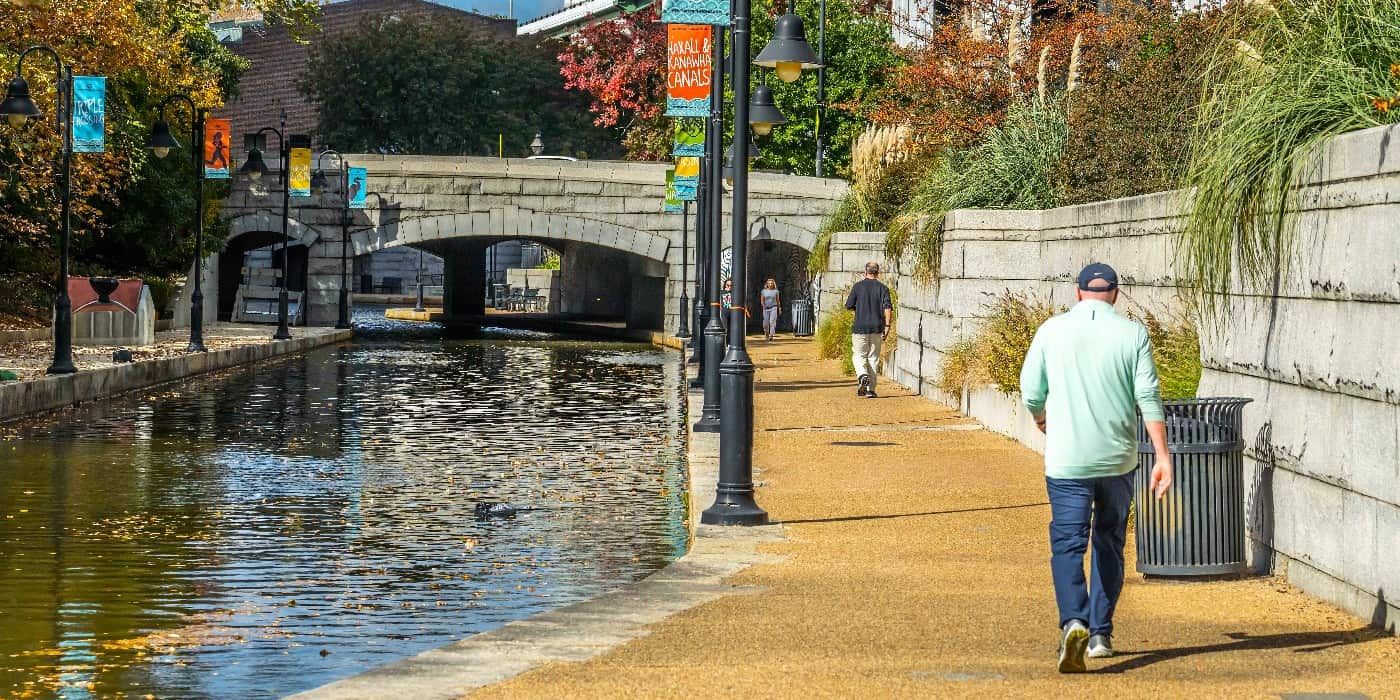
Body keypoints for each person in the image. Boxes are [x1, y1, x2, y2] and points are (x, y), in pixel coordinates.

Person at [1019, 262, 1173, 674]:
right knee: (1109, 540)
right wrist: (1162, 456)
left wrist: (1040, 416)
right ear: (1116, 295)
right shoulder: (1133, 334)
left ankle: (1074, 620)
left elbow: (1031, 390)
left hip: (1068, 459)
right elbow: (1148, 396)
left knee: (1068, 543)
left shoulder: (1051, 331)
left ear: (1078, 293)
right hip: (1117, 458)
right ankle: (1101, 634)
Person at [844, 262, 892, 398]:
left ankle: (862, 375)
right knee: (873, 358)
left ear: (865, 272)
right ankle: (871, 390)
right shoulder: (883, 288)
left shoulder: (858, 287)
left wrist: (859, 308)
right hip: (877, 327)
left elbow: (848, 305)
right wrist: (887, 326)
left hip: (860, 327)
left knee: (859, 355)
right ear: (878, 273)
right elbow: (887, 307)